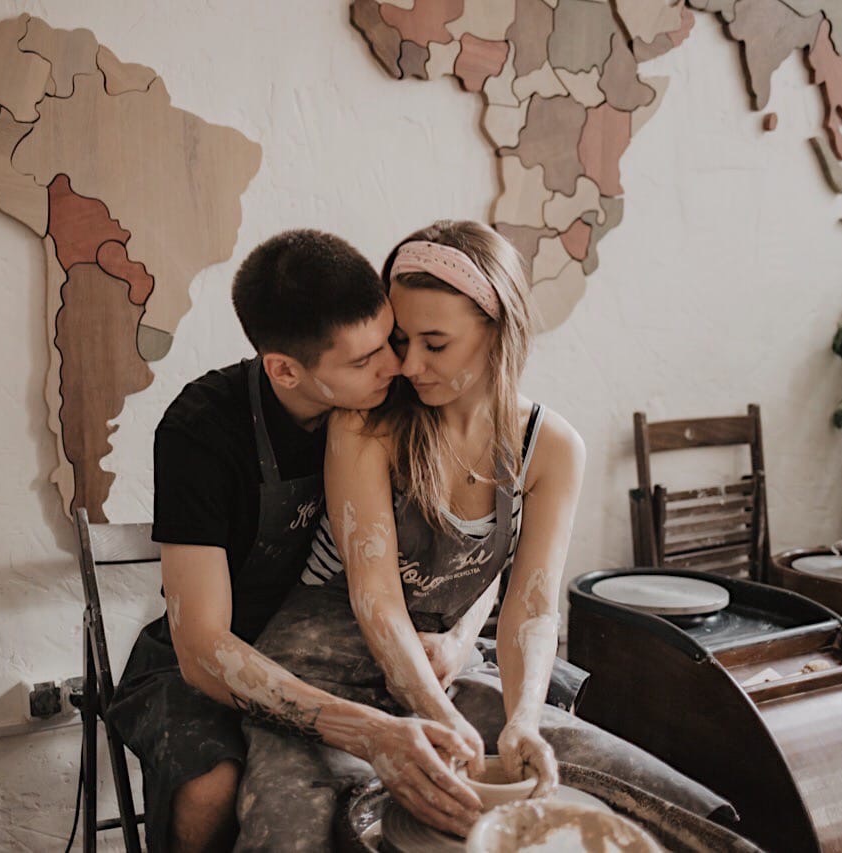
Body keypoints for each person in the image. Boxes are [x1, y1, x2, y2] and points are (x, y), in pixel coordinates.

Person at [106, 229, 486, 852]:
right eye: (363, 361)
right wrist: (368, 732)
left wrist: (459, 639)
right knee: (211, 788)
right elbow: (201, 646)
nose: (397, 366)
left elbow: (490, 536)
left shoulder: (401, 390)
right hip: (227, 646)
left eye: (388, 341)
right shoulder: (203, 428)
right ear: (284, 369)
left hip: (359, 640)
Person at [234, 219, 587, 849]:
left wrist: (524, 720)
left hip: (440, 667)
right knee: (296, 833)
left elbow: (531, 608)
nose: (408, 364)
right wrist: (439, 718)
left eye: (435, 343)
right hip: (322, 675)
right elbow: (375, 599)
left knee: (604, 778)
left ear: (499, 330)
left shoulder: (552, 447)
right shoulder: (366, 423)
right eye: (400, 339)